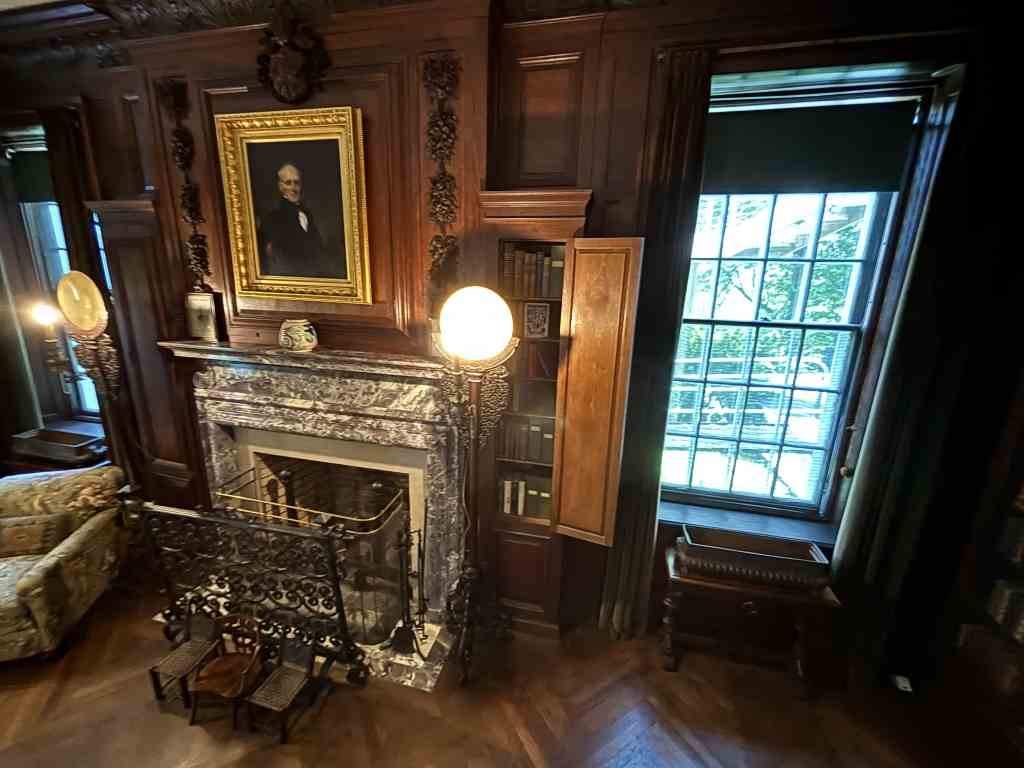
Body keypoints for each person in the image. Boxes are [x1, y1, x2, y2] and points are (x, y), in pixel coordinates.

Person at [257, 162, 340, 278]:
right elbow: (273, 258)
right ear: (280, 187)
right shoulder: (272, 219)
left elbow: (318, 250)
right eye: (288, 183)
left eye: (296, 183)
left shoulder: (307, 215)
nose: (293, 188)